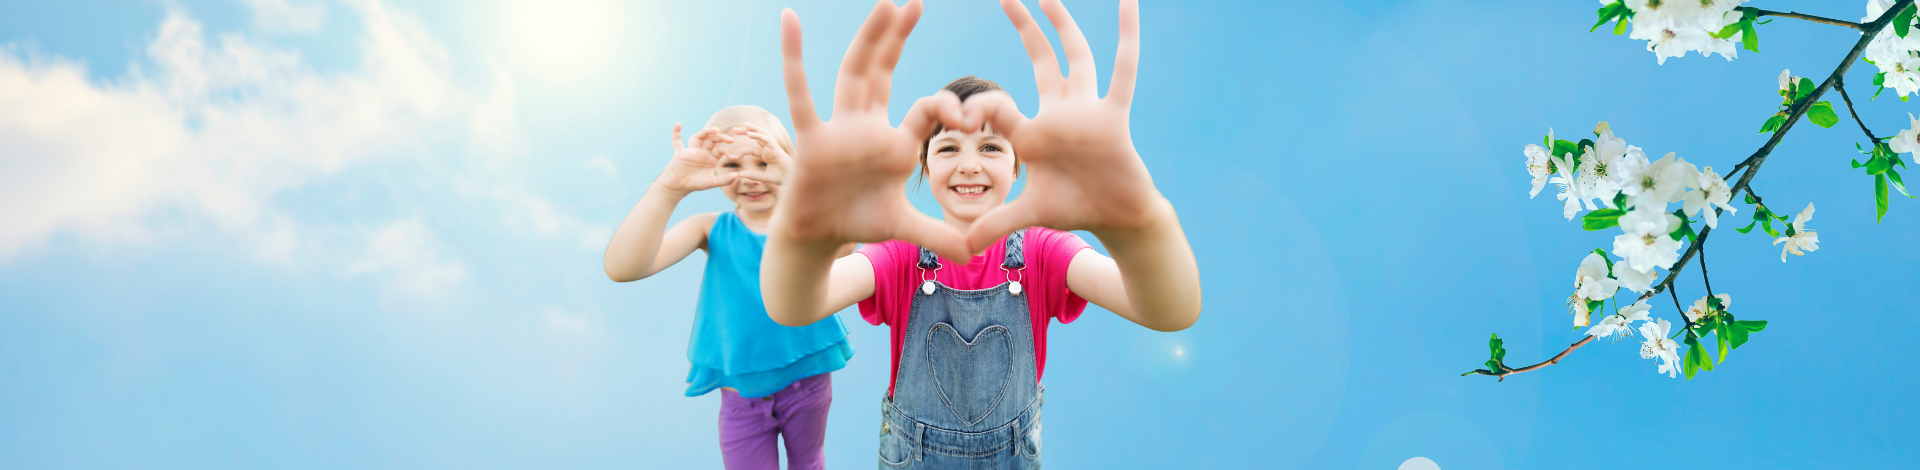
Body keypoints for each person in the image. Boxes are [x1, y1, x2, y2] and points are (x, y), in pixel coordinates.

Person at [760, 1, 1201, 468]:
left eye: (991, 146)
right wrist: (804, 235)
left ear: (1019, 163)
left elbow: (1170, 312)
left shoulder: (1044, 251)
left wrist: (1139, 222)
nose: (969, 163)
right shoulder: (898, 255)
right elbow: (794, 307)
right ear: (925, 165)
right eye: (948, 147)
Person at [603, 105, 850, 470]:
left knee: (809, 463)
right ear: (714, 170)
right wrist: (669, 188)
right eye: (733, 165)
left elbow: (848, 242)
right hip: (741, 398)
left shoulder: (807, 226)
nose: (749, 178)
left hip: (808, 380)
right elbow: (623, 267)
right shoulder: (709, 228)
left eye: (764, 163)